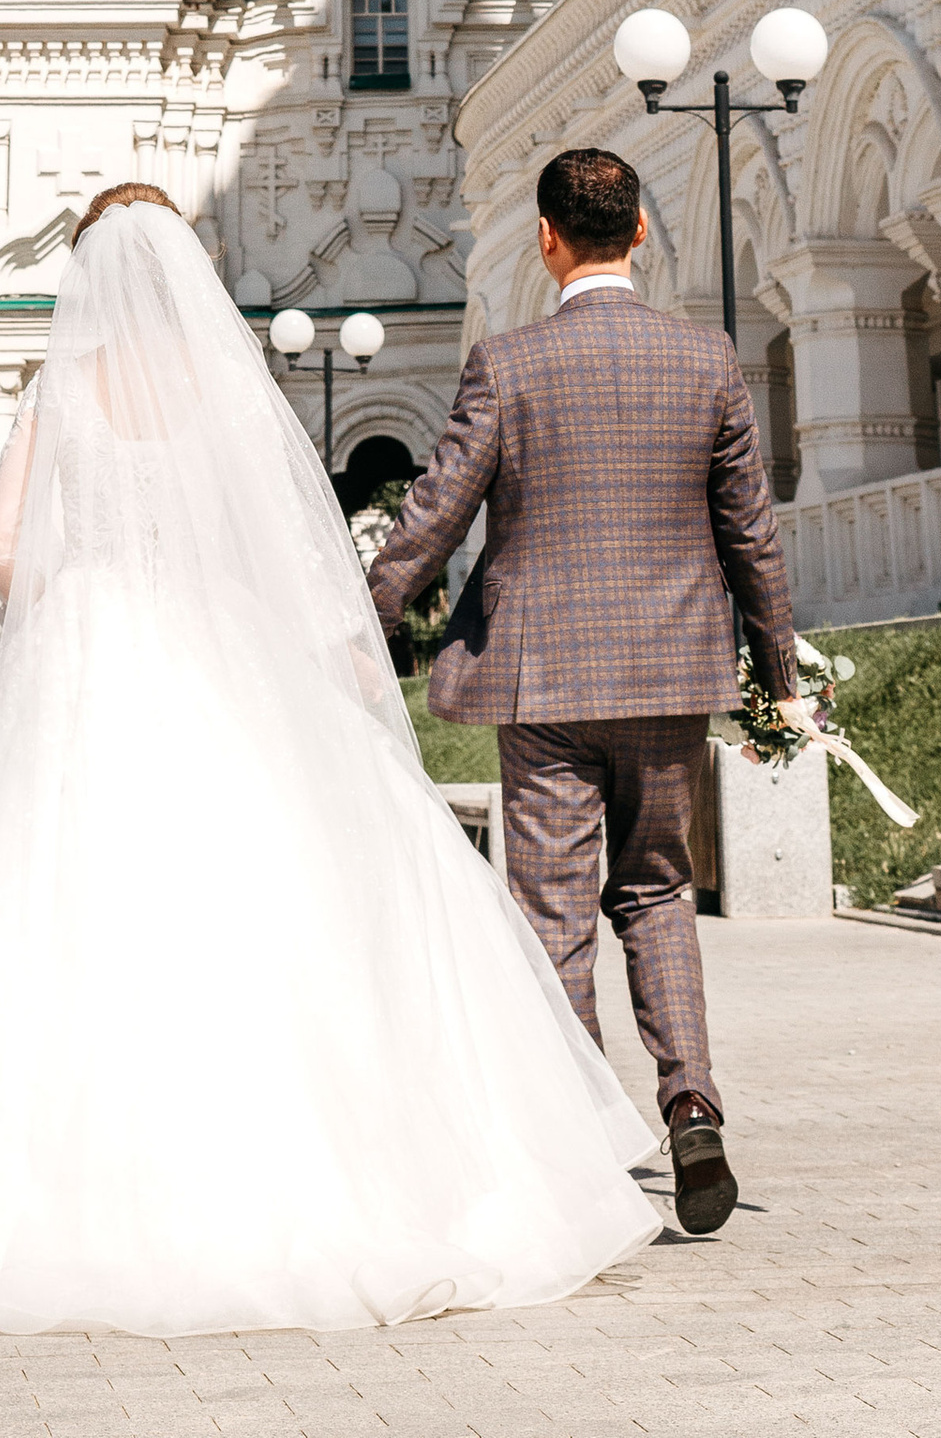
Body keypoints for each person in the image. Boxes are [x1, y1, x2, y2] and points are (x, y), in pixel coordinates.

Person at [0, 185, 657, 1333]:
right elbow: (285, 553)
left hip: (93, 659)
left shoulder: (63, 387)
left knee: (50, 910)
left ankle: (38, 1201)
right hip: (220, 654)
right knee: (259, 899)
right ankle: (324, 1181)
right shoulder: (223, 386)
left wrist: (61, 612)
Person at [365, 145, 808, 1244]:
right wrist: (778, 677)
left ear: (545, 240)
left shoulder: (507, 364)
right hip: (669, 675)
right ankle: (691, 1101)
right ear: (643, 232)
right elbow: (750, 532)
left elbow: (435, 514)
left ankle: (576, 1135)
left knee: (553, 912)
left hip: (545, 678)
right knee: (657, 891)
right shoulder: (704, 361)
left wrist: (358, 615)